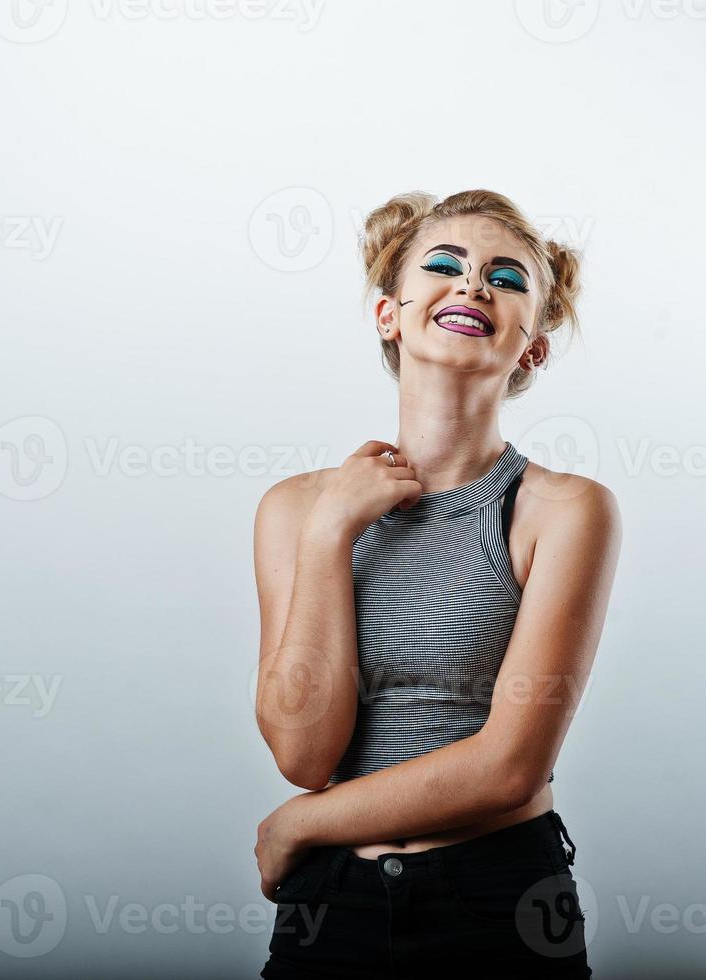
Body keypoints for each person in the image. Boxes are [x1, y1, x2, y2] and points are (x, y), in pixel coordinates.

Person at [252, 189, 621, 977]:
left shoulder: (563, 511)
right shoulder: (295, 510)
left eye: (506, 278)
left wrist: (296, 827)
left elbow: (507, 768)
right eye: (445, 266)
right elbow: (303, 752)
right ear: (390, 313)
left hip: (499, 901)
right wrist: (329, 534)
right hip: (332, 908)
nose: (473, 286)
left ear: (532, 349)